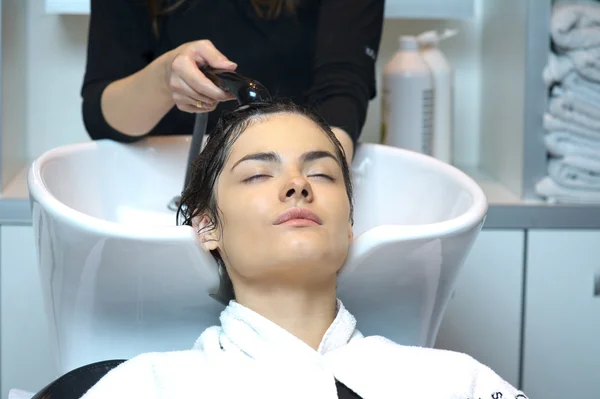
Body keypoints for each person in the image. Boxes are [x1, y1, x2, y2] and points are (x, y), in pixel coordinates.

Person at [79, 102, 528, 399]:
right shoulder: (146, 387)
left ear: (349, 226)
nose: (298, 185)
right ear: (207, 224)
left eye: (323, 175)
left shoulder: (453, 382)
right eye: (258, 175)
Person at [81, 0, 386, 160]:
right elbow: (101, 115)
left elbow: (342, 90)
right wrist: (165, 78)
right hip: (161, 181)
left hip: (289, 173)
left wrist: (309, 175)